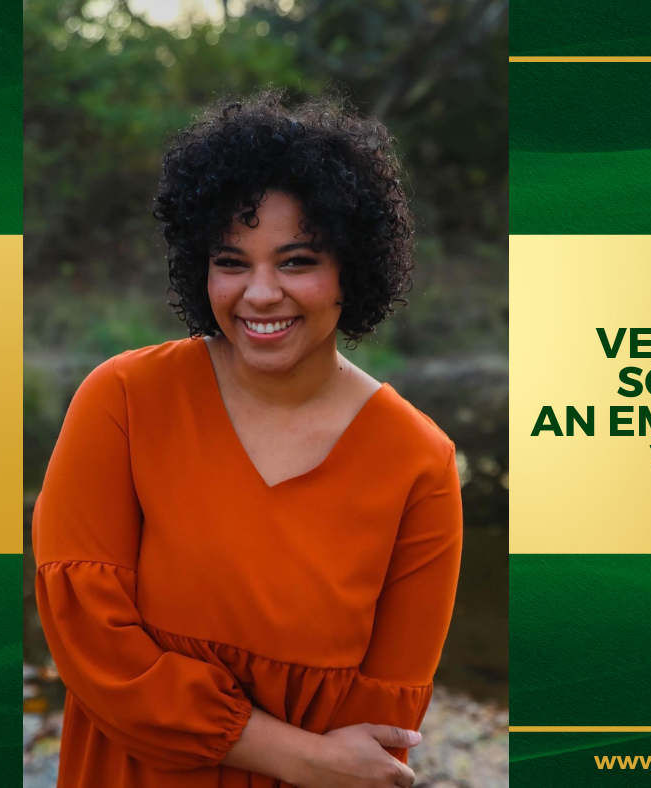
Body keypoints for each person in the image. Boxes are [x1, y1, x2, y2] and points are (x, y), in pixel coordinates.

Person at [31, 88, 464, 788]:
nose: (260, 294)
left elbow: (380, 738)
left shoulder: (421, 464)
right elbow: (94, 649)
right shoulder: (124, 401)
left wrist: (325, 764)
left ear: (351, 269)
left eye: (296, 261)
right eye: (232, 262)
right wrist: (297, 755)